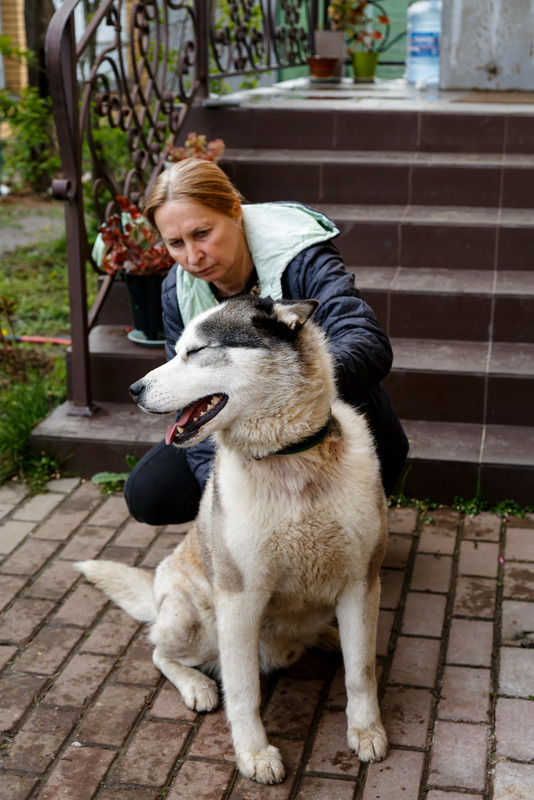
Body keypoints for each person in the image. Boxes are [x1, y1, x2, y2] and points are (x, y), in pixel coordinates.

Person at [124, 159, 408, 525]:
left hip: (327, 424)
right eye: (175, 243)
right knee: (149, 494)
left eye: (202, 234)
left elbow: (366, 341)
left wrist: (293, 388)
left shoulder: (302, 257)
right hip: (240, 428)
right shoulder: (176, 290)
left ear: (235, 212)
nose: (192, 258)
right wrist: (221, 500)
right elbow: (189, 390)